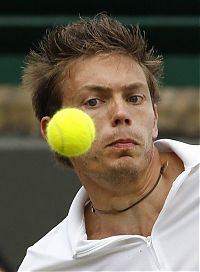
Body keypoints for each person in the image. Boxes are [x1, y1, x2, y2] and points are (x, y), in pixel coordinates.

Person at [18, 14, 199, 271]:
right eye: (93, 101)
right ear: (53, 131)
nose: (121, 114)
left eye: (134, 98)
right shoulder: (44, 266)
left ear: (155, 117)